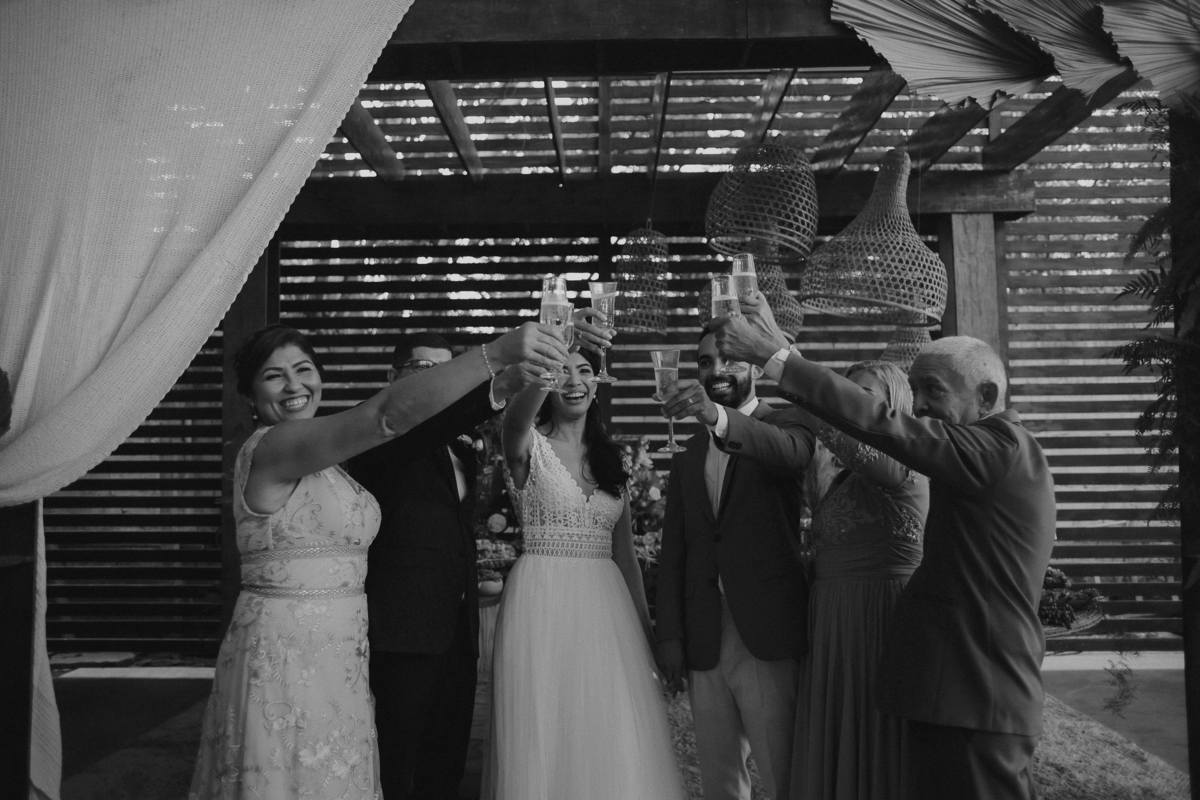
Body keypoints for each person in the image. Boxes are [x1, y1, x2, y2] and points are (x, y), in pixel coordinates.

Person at [188, 321, 567, 800]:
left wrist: (512, 379)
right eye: (274, 376)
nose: (294, 386)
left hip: (344, 649)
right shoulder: (275, 445)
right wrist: (496, 353)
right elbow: (387, 418)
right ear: (249, 394)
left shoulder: (327, 457)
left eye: (303, 369)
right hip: (287, 647)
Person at [714, 294, 1056, 800]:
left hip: (978, 692)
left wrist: (775, 356)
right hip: (950, 690)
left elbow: (883, 425)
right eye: (914, 391)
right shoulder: (978, 455)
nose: (919, 405)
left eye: (933, 390)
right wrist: (780, 347)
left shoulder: (1000, 448)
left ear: (986, 396)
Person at [482, 347, 686, 800]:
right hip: (542, 600)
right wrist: (553, 348)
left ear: (597, 383)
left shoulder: (615, 460)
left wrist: (648, 637)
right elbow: (514, 418)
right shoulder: (527, 444)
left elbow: (626, 558)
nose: (574, 381)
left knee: (608, 723)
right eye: (563, 372)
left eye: (585, 371)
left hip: (607, 611)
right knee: (547, 725)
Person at [347, 333, 523, 800]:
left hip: (457, 630)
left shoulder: (462, 446)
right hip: (401, 631)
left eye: (448, 370)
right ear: (393, 376)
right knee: (396, 763)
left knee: (446, 766)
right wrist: (499, 387)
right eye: (426, 369)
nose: (441, 380)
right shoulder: (375, 434)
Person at [653, 327, 812, 800]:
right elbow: (674, 547)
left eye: (729, 359)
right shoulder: (688, 452)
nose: (716, 370)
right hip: (704, 634)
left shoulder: (786, 425)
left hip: (765, 631)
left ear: (755, 367)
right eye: (705, 362)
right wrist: (670, 634)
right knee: (719, 779)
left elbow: (792, 458)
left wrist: (717, 417)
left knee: (781, 774)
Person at [790, 360, 929, 800]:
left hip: (879, 619)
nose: (848, 402)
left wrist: (812, 400)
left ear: (894, 405)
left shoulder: (905, 461)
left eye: (862, 395)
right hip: (834, 625)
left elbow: (870, 457)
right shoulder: (842, 475)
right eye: (844, 392)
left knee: (877, 741)